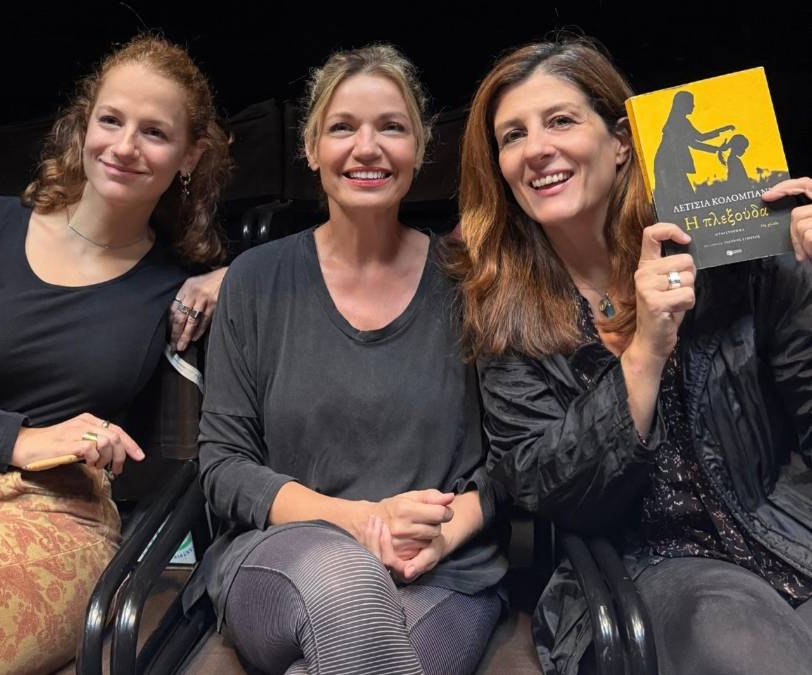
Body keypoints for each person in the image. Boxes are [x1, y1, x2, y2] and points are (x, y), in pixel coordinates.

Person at [448, 36, 812, 675]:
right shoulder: (503, 308)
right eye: (513, 136)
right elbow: (545, 490)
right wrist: (644, 351)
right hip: (652, 566)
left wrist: (806, 274)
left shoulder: (732, 250)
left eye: (561, 120)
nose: (537, 149)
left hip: (789, 531)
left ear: (621, 141)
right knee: (736, 639)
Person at [0, 34, 230, 672]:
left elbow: (324, 260)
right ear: (84, 125)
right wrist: (17, 439)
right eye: (110, 120)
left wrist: (237, 275)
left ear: (190, 155)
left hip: (51, 516)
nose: (124, 146)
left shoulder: (174, 285)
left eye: (154, 132)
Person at [198, 44, 506, 674]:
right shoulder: (254, 281)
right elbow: (223, 467)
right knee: (349, 584)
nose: (367, 148)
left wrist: (444, 528)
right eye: (342, 128)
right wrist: (360, 522)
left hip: (441, 569)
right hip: (285, 556)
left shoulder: (472, 283)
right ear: (312, 149)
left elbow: (513, 460)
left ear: (420, 148)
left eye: (391, 127)